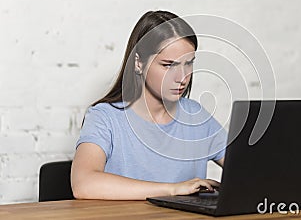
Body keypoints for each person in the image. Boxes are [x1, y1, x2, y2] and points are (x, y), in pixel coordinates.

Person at [71, 11, 227, 200]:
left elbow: (250, 170)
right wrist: (173, 189)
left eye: (188, 64)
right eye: (168, 65)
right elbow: (84, 184)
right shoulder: (105, 117)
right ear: (138, 63)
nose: (182, 77)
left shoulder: (196, 116)